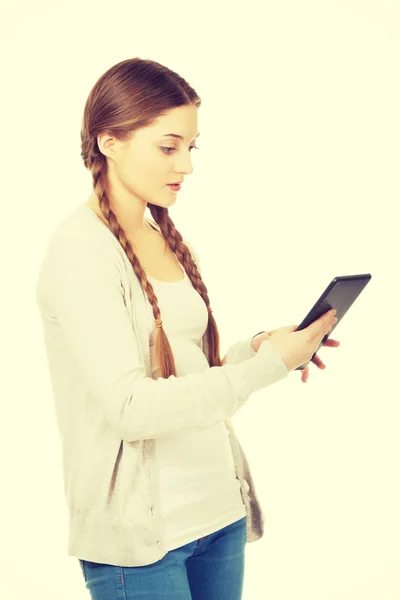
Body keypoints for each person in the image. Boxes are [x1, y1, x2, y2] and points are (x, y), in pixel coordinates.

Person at [35, 57, 336, 599]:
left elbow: (192, 380)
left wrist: (266, 348)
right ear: (109, 141)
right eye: (169, 147)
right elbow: (133, 408)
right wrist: (268, 368)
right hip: (143, 541)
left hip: (218, 513)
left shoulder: (168, 239)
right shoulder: (80, 251)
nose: (187, 166)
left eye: (191, 148)